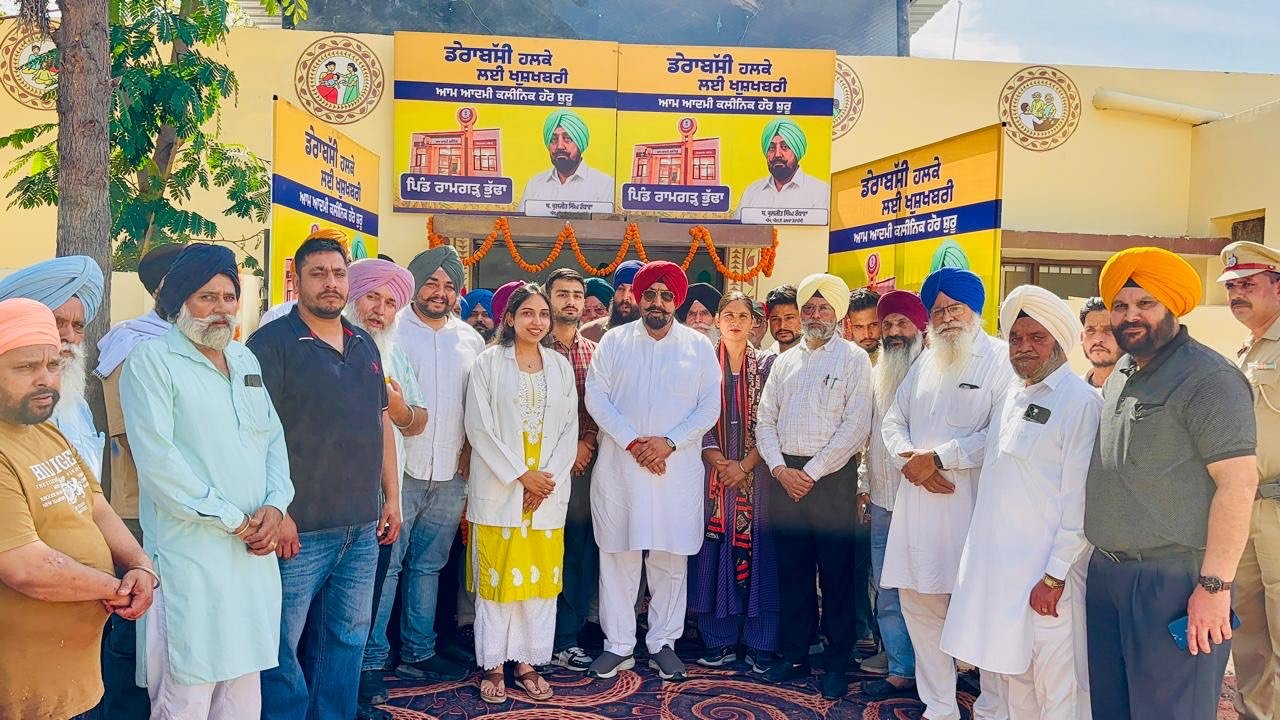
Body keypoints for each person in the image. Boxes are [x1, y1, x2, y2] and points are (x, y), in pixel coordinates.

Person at [119, 244, 294, 719]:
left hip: (252, 559)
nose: (221, 308)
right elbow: (160, 465)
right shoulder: (151, 361)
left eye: (229, 297)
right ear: (180, 301)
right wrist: (237, 522)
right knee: (185, 699)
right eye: (206, 297)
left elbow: (273, 441)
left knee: (242, 699)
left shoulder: (244, 359)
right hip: (190, 559)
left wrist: (276, 506)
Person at [1085, 247, 1257, 720]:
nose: (1131, 315)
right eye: (1121, 305)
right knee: (1112, 710)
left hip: (1174, 581)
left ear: (1173, 308)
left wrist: (1214, 587)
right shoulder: (1122, 370)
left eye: (1146, 303)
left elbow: (1238, 485)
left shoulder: (1209, 378)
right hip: (1108, 576)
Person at [250, 234, 402, 720]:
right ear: (297, 280)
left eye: (338, 274)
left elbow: (380, 422)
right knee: (281, 643)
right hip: (299, 530)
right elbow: (253, 434)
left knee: (347, 638)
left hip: (360, 527)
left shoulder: (363, 343)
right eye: (318, 274)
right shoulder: (270, 344)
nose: (330, 283)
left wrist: (391, 498)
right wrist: (279, 511)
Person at [941, 285, 1100, 719]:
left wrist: (1054, 575)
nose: (1023, 347)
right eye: (1015, 338)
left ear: (1059, 341)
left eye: (1036, 337)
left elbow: (1080, 501)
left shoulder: (1080, 403)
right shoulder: (1012, 395)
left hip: (1047, 580)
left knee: (1058, 688)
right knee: (1009, 682)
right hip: (1000, 576)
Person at [0, 298, 155, 720]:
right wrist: (117, 589)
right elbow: (26, 567)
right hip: (23, 696)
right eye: (26, 367)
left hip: (75, 683)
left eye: (52, 365)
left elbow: (96, 505)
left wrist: (140, 564)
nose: (45, 379)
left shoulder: (45, 431)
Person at [881, 267, 1016, 720]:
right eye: (937, 311)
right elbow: (893, 420)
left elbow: (1002, 433)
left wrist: (940, 458)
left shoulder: (1000, 360)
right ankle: (939, 705)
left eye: (954, 308)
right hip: (917, 508)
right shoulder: (925, 360)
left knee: (981, 611)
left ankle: (992, 709)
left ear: (974, 310)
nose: (946, 318)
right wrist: (910, 460)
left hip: (971, 510)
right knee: (920, 608)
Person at [584, 261, 721, 681]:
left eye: (665, 296)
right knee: (618, 557)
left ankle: (663, 642)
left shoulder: (698, 347)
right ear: (638, 298)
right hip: (621, 469)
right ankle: (618, 645)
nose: (656, 302)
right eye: (649, 295)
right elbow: (596, 397)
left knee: (669, 559)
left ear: (676, 301)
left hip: (673, 470)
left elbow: (709, 407)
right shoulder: (614, 341)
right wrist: (633, 442)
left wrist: (668, 443)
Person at [754, 273, 873, 699]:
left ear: (837, 313)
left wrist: (812, 472)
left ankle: (837, 662)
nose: (815, 315)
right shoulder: (785, 362)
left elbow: (856, 426)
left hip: (831, 479)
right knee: (792, 572)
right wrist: (779, 469)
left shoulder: (854, 359)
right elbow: (764, 420)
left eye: (823, 308)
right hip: (785, 479)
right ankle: (794, 654)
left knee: (837, 575)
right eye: (809, 308)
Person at [370, 245, 485, 687]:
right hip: (398, 472)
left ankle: (418, 651)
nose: (440, 292)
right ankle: (371, 658)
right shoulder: (391, 329)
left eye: (449, 286)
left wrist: (469, 453)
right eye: (432, 282)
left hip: (452, 473)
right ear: (415, 283)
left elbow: (477, 406)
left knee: (428, 566)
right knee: (388, 566)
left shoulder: (470, 339)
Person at [463, 283, 580, 703]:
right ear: (510, 318)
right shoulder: (487, 363)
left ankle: (528, 662)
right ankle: (494, 665)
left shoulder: (560, 366)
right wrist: (521, 476)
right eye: (527, 313)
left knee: (537, 583)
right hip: (502, 489)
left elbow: (570, 429)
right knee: (498, 580)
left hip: (545, 494)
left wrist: (544, 481)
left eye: (543, 314)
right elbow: (479, 427)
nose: (537, 321)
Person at [94, 242, 183, 719]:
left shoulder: (189, 343)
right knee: (133, 621)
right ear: (163, 288)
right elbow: (132, 437)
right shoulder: (131, 344)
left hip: (183, 509)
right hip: (136, 512)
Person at [342, 259, 429, 718]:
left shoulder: (395, 355)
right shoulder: (321, 344)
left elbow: (417, 420)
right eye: (372, 297)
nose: (379, 309)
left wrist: (396, 407)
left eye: (390, 302)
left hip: (380, 500)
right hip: (324, 503)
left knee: (366, 600)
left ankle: (356, 681)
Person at [688, 292, 780, 672]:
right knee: (713, 552)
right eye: (729, 315)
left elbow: (775, 420)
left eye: (744, 315)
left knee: (762, 555)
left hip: (759, 477)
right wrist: (719, 461)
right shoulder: (703, 363)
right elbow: (694, 415)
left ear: (755, 322)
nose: (736, 322)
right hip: (714, 476)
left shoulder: (769, 365)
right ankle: (718, 639)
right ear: (717, 320)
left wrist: (744, 465)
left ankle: (761, 641)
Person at [1218, 240, 1280, 720]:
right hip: (1245, 511)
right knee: (1251, 638)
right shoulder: (1246, 351)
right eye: (1231, 286)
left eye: (1248, 284)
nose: (1237, 293)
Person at [857, 290, 928, 701]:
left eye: (903, 323)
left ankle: (934, 669)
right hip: (884, 499)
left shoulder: (934, 372)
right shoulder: (878, 372)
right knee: (887, 589)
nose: (894, 331)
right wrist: (864, 486)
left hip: (925, 501)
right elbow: (870, 437)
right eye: (888, 324)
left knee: (925, 590)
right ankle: (901, 667)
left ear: (920, 327)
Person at [0, 255, 106, 481]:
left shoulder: (78, 405)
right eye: (57, 323)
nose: (70, 336)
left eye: (78, 326)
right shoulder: (10, 406)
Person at [544, 268, 602, 672]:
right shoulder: (532, 348)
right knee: (542, 550)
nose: (570, 301)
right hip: (540, 471)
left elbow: (602, 405)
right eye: (562, 294)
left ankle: (566, 637)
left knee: (578, 553)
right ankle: (533, 637)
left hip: (584, 470)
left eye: (577, 295)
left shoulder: (595, 353)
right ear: (547, 299)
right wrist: (567, 451)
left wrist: (587, 443)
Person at [845, 286, 881, 660]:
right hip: (851, 480)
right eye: (860, 326)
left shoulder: (897, 363)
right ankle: (861, 631)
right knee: (855, 563)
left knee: (883, 568)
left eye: (873, 325)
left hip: (885, 480)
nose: (868, 334)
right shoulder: (846, 363)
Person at [521, 109, 614, 213]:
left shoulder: (605, 185)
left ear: (580, 143)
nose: (560, 146)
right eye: (554, 139)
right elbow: (519, 222)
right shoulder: (535, 184)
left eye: (567, 138)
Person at [737, 119, 830, 217]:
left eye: (785, 147)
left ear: (797, 151)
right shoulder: (751, 192)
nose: (777, 154)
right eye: (771, 148)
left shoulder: (820, 192)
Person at [580, 260, 642, 343]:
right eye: (621, 289)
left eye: (632, 290)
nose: (625, 297)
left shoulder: (655, 334)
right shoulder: (589, 333)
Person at [1078, 297, 1120, 390]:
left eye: (1108, 330)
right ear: (1081, 338)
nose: (1098, 339)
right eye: (1090, 330)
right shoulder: (1070, 391)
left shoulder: (1145, 391)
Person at [765, 284, 802, 353]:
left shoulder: (814, 356)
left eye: (789, 318)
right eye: (775, 319)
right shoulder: (764, 357)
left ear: (802, 318)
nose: (782, 326)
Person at [846, 288, 882, 356]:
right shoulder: (840, 358)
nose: (867, 335)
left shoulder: (898, 356)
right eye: (859, 327)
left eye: (873, 325)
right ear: (849, 326)